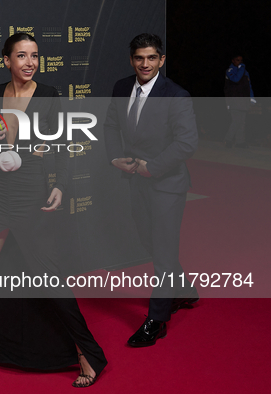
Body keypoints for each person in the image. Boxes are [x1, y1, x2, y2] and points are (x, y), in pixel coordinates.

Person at [0, 33, 107, 388]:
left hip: (30, 193)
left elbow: (65, 144)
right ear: (6, 60)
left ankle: (86, 352)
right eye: (21, 56)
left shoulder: (49, 95)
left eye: (35, 56)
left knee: (48, 278)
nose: (29, 62)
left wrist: (59, 186)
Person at [103, 33, 199, 347]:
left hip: (166, 184)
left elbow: (186, 142)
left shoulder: (177, 95)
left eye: (152, 58)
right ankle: (184, 290)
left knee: (163, 253)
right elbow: (110, 126)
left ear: (161, 60)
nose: (145, 64)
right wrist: (116, 157)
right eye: (139, 58)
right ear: (132, 60)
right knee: (150, 241)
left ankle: (157, 320)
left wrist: (151, 167)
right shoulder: (120, 87)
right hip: (134, 181)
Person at [224, 54, 256, 148]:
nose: (240, 62)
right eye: (237, 60)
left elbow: (249, 86)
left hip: (244, 100)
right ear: (233, 60)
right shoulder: (230, 70)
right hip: (234, 100)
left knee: (242, 122)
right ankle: (228, 140)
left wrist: (252, 98)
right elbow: (236, 79)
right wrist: (241, 67)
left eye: (241, 61)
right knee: (236, 121)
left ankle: (240, 142)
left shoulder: (245, 72)